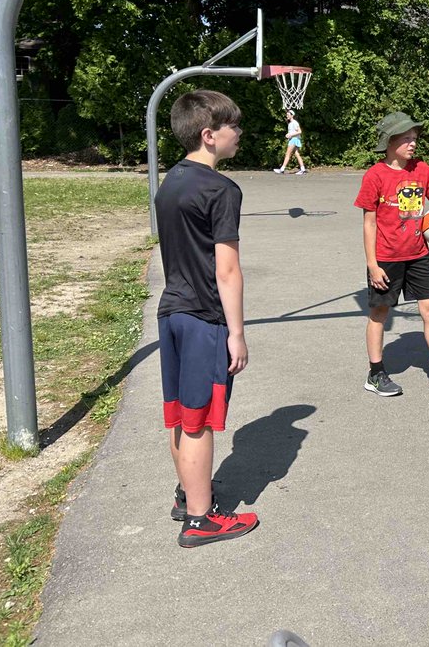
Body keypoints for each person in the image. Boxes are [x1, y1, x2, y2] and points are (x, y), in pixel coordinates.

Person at [154, 89, 259, 547]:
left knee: (181, 414)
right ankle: (200, 519)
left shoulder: (171, 181)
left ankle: (187, 495)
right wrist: (237, 333)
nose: (239, 132)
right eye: (233, 125)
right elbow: (227, 270)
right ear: (208, 135)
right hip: (204, 318)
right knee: (199, 419)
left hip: (172, 312)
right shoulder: (221, 189)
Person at [355, 112, 429, 396]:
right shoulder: (375, 175)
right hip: (386, 258)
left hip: (418, 254)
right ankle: (376, 373)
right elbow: (369, 223)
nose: (413, 143)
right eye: (406, 139)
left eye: (414, 138)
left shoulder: (421, 169)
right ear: (389, 142)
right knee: (379, 313)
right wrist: (372, 265)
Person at [273, 109, 307, 175]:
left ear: (292, 115)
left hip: (294, 139)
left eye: (288, 115)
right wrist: (289, 135)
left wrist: (291, 135)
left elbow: (300, 131)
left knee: (287, 154)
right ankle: (303, 169)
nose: (287, 116)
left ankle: (282, 169)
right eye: (287, 115)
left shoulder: (294, 123)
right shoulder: (290, 123)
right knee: (297, 154)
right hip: (294, 139)